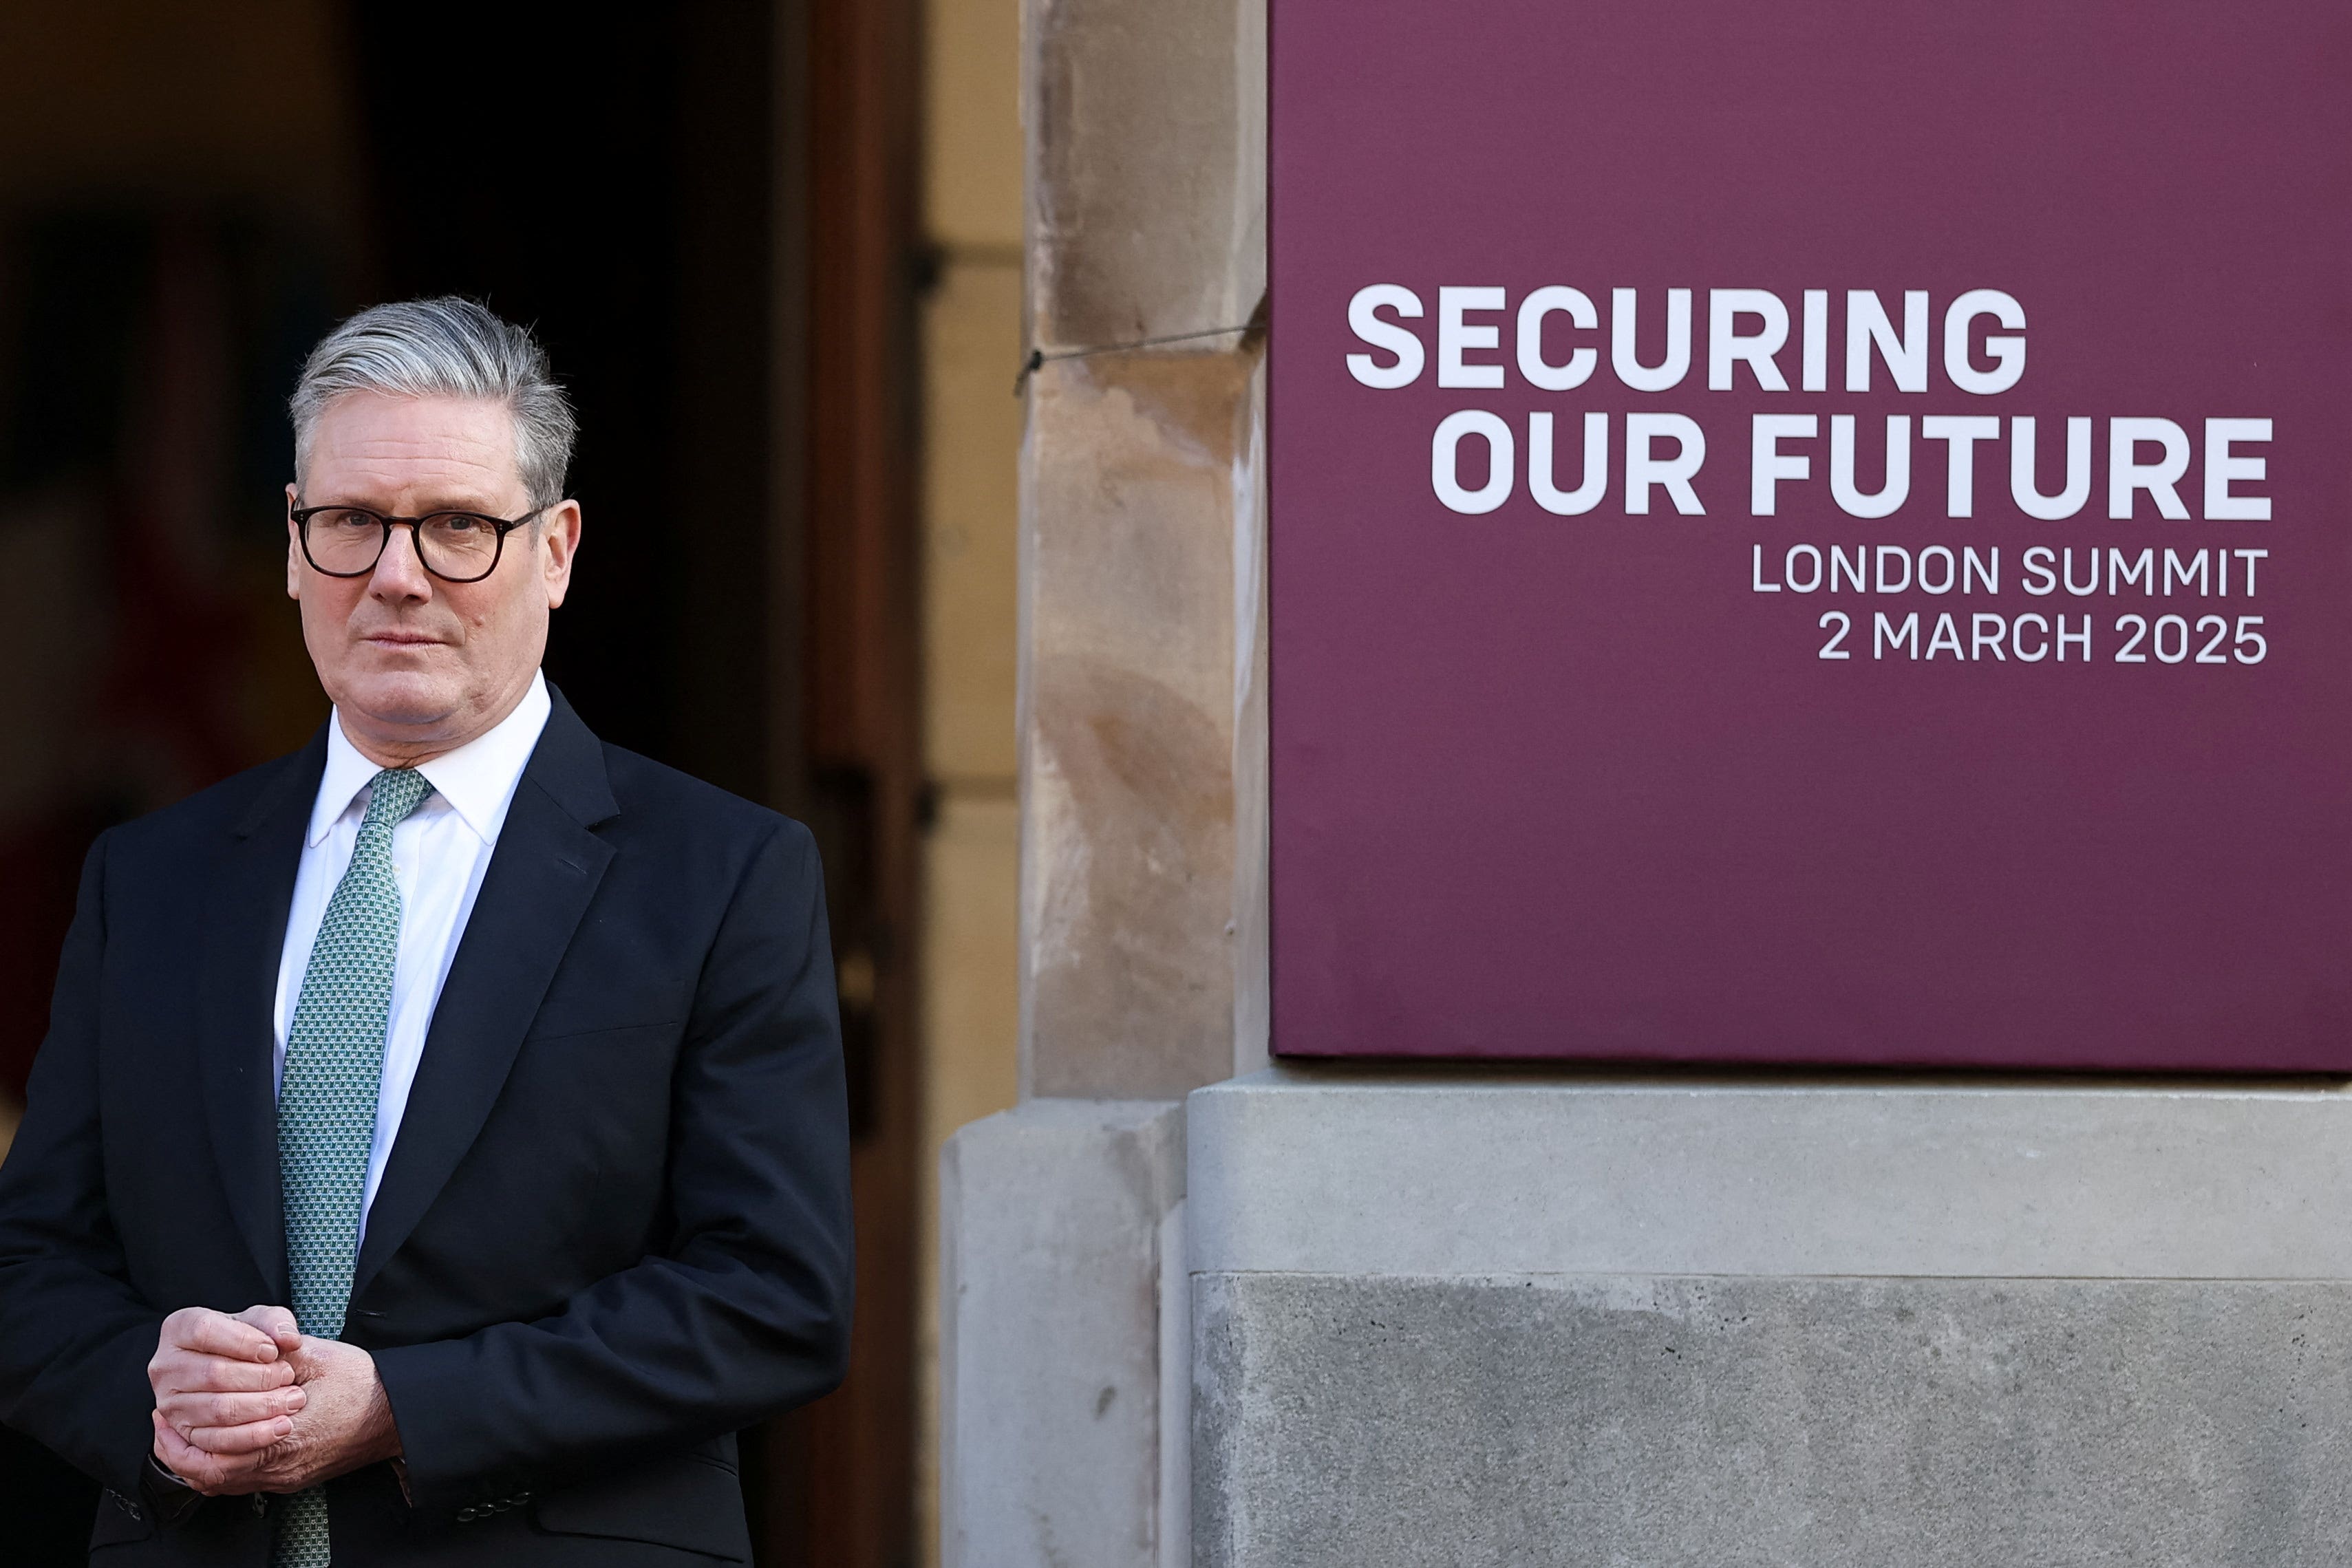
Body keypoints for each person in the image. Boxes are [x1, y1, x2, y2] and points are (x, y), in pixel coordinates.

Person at [0, 298, 853, 1565]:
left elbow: (773, 1295)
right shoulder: (151, 878)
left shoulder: (722, 874)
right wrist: (152, 1389)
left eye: (458, 525)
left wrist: (403, 1410)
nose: (397, 574)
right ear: (293, 545)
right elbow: (32, 1267)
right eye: (350, 523)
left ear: (556, 551)